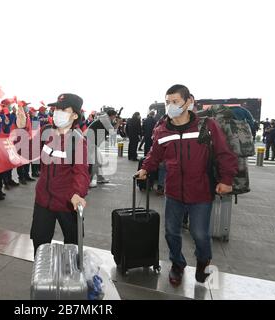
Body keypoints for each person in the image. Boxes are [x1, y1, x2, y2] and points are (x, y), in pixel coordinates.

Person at [136, 84, 238, 286]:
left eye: (175, 101)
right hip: (173, 190)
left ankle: (203, 261)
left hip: (200, 190)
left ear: (189, 101)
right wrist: (146, 167)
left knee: (200, 234)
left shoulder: (206, 126)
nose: (170, 106)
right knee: (171, 232)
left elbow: (224, 153)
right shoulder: (162, 129)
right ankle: (177, 263)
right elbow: (155, 153)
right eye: (168, 102)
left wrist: (226, 180)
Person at [29, 93, 90, 255]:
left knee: (73, 246)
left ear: (75, 115)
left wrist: (78, 193)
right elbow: (27, 153)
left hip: (68, 202)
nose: (57, 112)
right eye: (56, 108)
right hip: (43, 200)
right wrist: (21, 128)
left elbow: (81, 172)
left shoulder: (77, 140)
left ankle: (70, 277)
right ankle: (41, 278)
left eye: (64, 110)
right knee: (39, 244)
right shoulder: (46, 131)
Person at [86, 109, 118, 187]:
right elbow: (112, 132)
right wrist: (118, 123)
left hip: (92, 141)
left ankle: (100, 178)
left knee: (99, 161)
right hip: (91, 141)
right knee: (95, 162)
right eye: (114, 116)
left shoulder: (105, 119)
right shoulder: (105, 119)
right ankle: (88, 181)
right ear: (112, 115)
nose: (115, 118)